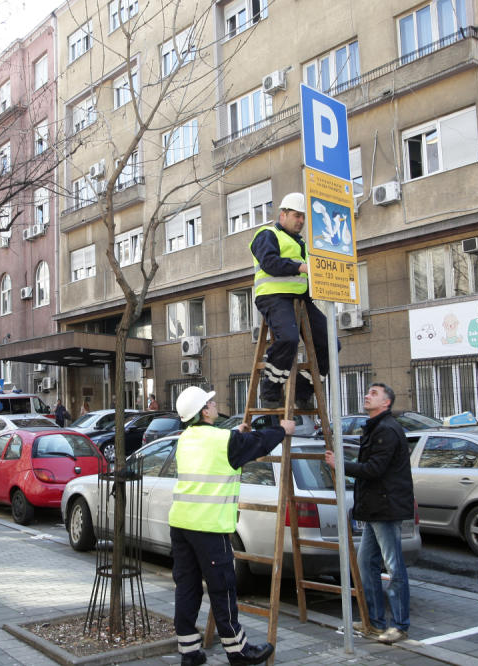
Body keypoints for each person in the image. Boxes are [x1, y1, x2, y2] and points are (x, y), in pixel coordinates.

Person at [168, 386, 293, 665]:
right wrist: (282, 430)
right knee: (222, 588)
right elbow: (258, 443)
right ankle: (238, 651)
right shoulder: (223, 440)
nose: (214, 404)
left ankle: (189, 652)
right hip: (209, 528)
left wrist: (237, 433)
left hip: (181, 525)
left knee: (186, 588)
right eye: (210, 402)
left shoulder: (185, 438)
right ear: (203, 411)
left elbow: (219, 447)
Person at [325, 383, 413, 645]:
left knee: (394, 565)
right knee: (366, 564)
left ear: (386, 403)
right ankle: (374, 623)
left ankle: (399, 625)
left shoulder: (387, 430)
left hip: (385, 508)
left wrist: (339, 465)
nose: (367, 395)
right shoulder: (376, 427)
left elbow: (374, 469)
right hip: (375, 507)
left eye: (374, 393)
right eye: (368, 392)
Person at [249, 192, 335, 410]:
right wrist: (301, 267)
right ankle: (270, 391)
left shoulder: (302, 244)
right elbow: (270, 263)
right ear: (283, 214)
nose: (301, 221)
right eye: (297, 216)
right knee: (287, 339)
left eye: (303, 217)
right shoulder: (267, 234)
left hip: (301, 300)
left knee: (331, 344)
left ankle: (302, 392)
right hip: (273, 296)